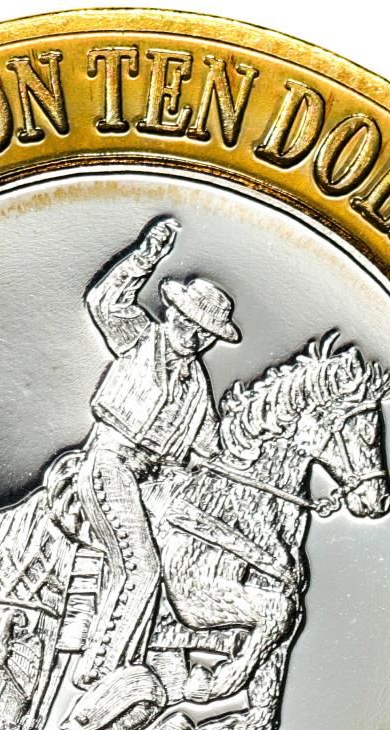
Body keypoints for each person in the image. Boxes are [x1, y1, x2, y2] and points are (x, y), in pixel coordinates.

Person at [73, 216, 241, 690]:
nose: (195, 336)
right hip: (111, 462)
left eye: (205, 332)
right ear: (173, 314)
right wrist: (147, 256)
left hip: (155, 483)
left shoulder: (197, 383)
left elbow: (208, 447)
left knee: (181, 560)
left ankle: (164, 659)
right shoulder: (139, 338)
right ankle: (100, 671)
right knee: (141, 567)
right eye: (191, 323)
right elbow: (103, 301)